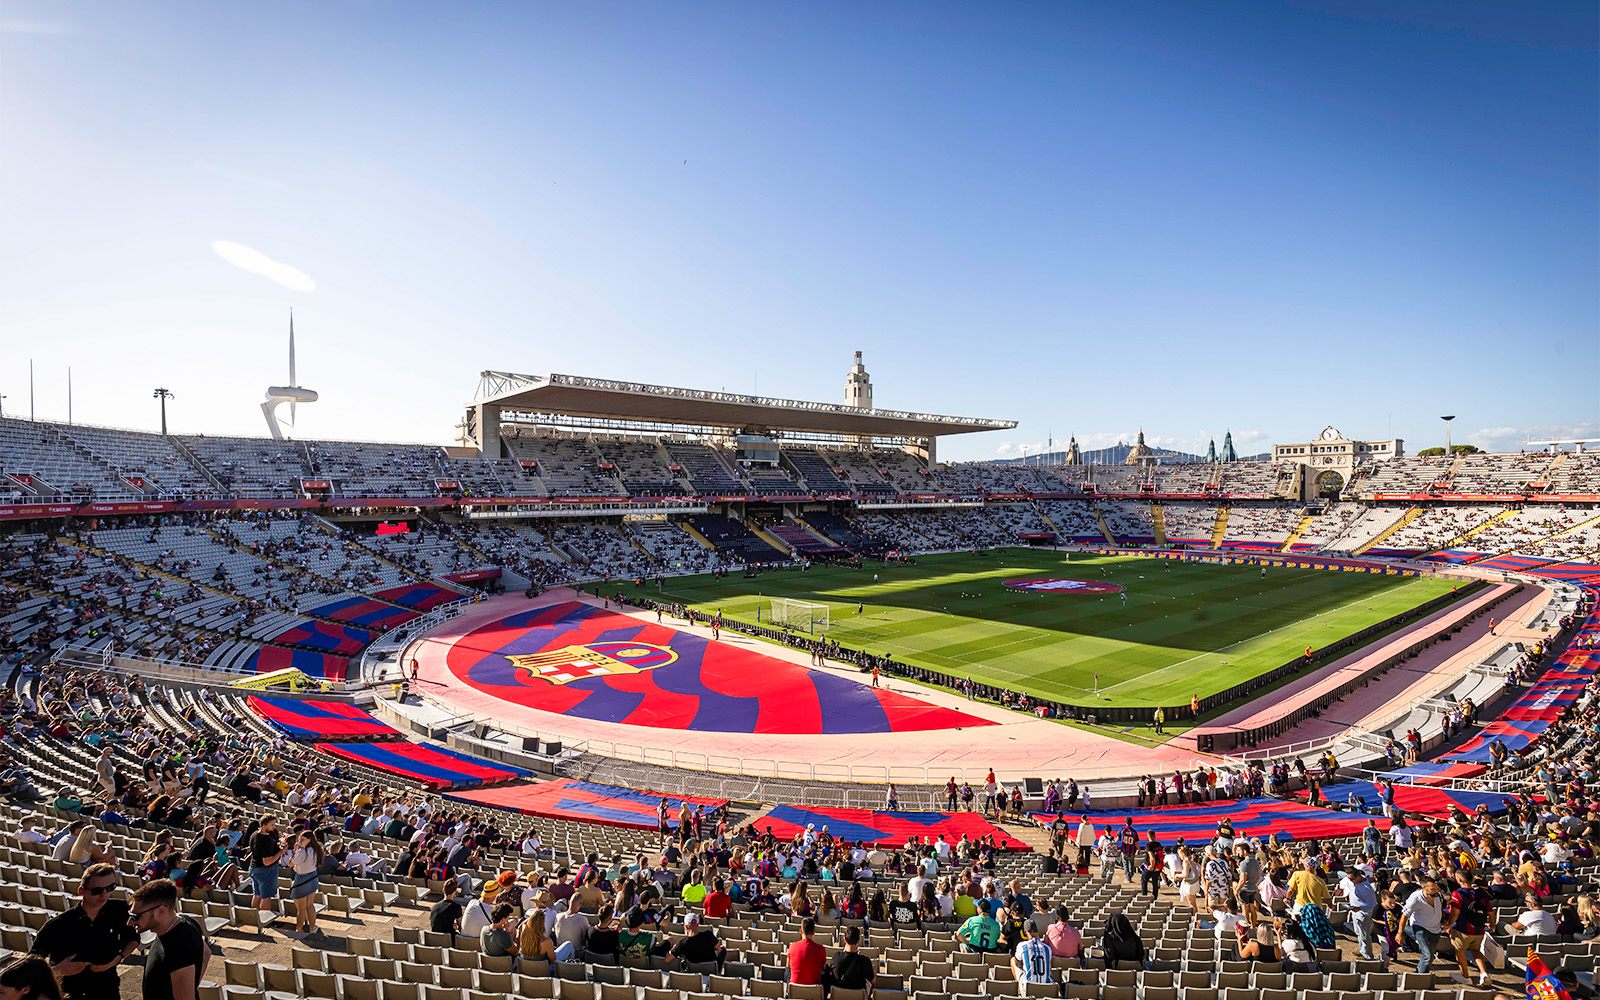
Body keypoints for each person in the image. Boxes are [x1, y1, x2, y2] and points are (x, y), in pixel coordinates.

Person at [28, 864, 136, 1000]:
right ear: (81, 890)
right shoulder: (58, 925)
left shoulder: (119, 910)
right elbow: (29, 966)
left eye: (110, 888)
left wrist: (118, 958)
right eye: (97, 890)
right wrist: (56, 970)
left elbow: (133, 939)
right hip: (71, 993)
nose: (104, 894)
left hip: (107, 990)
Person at [129, 879, 208, 1000]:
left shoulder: (177, 947)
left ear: (160, 911)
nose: (129, 922)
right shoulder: (186, 921)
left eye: (136, 916)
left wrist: (188, 988)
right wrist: (190, 985)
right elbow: (206, 952)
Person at [1445, 871, 1492, 986]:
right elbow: (1491, 912)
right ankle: (1484, 974)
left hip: (1462, 930)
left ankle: (1465, 976)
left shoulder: (1457, 893)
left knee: (1459, 952)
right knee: (1476, 951)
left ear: (1459, 879)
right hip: (1479, 930)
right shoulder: (1481, 894)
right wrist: (1493, 925)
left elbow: (1455, 913)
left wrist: (1449, 925)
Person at [1400, 877, 1445, 974]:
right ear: (1424, 888)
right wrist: (1399, 933)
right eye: (1433, 889)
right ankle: (1422, 977)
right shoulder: (1416, 898)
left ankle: (1419, 971)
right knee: (1428, 956)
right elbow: (1405, 915)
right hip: (1420, 928)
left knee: (1429, 956)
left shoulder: (1438, 895)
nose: (1436, 890)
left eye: (1437, 888)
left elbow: (1440, 907)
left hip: (1435, 929)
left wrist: (1443, 921)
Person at [287, 829, 325, 938]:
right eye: (299, 840)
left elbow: (290, 864)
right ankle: (312, 928)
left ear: (309, 840)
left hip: (301, 879)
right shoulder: (317, 850)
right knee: (309, 905)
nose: (300, 842)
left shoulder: (302, 852)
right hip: (312, 878)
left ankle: (299, 930)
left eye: (302, 840)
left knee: (301, 909)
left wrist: (294, 851)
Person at [247, 815, 283, 917]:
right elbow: (267, 861)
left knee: (257, 895)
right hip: (265, 871)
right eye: (272, 825)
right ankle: (265, 920)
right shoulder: (266, 840)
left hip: (254, 868)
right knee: (266, 897)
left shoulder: (254, 834)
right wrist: (281, 852)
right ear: (264, 826)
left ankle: (254, 918)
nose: (274, 827)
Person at [1012, 920, 1054, 987]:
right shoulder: (1047, 948)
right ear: (1037, 930)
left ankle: (1019, 987)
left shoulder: (1022, 946)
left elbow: (1018, 964)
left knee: (1012, 960)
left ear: (1025, 932)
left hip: (1029, 987)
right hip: (1047, 987)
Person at [787, 917, 827, 987]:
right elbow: (823, 968)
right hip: (814, 989)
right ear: (813, 932)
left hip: (794, 988)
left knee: (787, 970)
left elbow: (788, 966)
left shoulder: (792, 946)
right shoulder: (821, 949)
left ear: (801, 931)